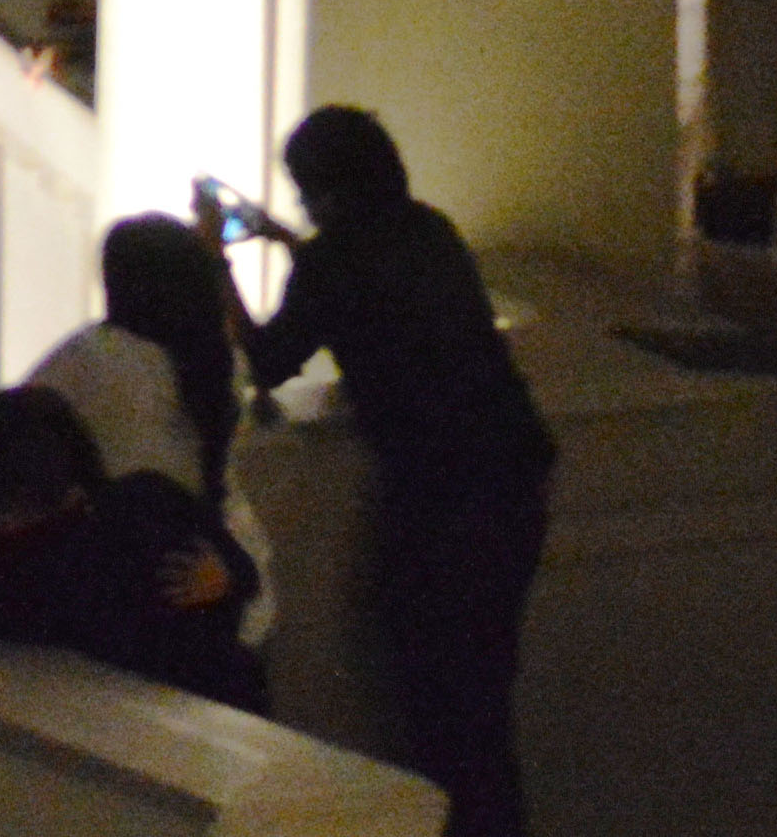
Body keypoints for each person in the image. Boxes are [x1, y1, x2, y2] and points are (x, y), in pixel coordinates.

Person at [207, 104, 555, 837]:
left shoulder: (334, 261)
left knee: (437, 709)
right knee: (485, 708)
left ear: (326, 191)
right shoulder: (430, 228)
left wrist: (218, 262)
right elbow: (378, 288)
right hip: (512, 477)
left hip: (437, 502)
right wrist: (293, 244)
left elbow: (269, 360)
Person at [0, 385, 263, 707]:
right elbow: (244, 571)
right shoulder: (148, 499)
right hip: (215, 710)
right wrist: (228, 578)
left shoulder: (7, 574)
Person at [26, 209, 248, 501]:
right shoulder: (224, 360)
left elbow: (13, 419)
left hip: (129, 540)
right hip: (222, 537)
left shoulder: (94, 355)